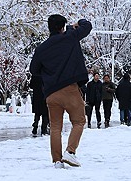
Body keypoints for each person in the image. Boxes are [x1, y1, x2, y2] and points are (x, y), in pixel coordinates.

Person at [29, 14, 91, 168]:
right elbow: (87, 26)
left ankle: (57, 161)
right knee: (79, 121)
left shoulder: (42, 48)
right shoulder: (70, 37)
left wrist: (49, 73)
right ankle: (70, 152)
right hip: (70, 89)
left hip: (51, 93)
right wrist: (76, 24)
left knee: (55, 127)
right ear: (63, 27)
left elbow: (34, 70)